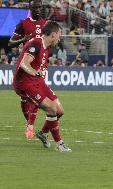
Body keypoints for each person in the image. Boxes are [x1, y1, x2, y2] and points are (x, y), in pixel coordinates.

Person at [13, 21, 71, 152]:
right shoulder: (36, 44)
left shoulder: (47, 46)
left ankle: (43, 133)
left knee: (60, 110)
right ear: (53, 34)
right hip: (25, 83)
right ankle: (59, 143)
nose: (59, 38)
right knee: (51, 108)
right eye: (59, 35)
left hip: (37, 81)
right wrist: (35, 72)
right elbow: (24, 63)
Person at [9, 0, 47, 139]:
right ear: (30, 8)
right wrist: (23, 39)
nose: (37, 10)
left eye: (39, 7)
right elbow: (10, 42)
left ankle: (30, 125)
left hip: (40, 65)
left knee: (36, 95)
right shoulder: (23, 23)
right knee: (25, 98)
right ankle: (28, 122)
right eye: (35, 7)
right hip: (26, 64)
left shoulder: (45, 24)